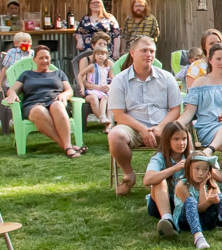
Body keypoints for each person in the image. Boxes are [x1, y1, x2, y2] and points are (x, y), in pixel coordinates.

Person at [108, 36, 182, 195]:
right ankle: (129, 175)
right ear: (132, 53)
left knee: (182, 136)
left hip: (163, 126)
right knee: (115, 136)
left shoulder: (167, 77)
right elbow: (119, 115)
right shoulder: (119, 80)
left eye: (152, 51)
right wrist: (142, 129)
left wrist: (161, 127)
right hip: (132, 127)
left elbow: (176, 109)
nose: (149, 54)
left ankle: (178, 178)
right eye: (144, 50)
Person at [4, 45, 82, 157]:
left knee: (58, 106)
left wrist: (64, 95)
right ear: (34, 59)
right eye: (41, 58)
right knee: (40, 111)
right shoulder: (27, 75)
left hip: (54, 101)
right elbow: (12, 89)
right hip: (33, 105)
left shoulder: (58, 73)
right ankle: (67, 146)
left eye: (47, 57)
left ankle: (67, 146)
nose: (45, 60)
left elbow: (69, 90)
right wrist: (11, 94)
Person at [176, 154, 222, 249]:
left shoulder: (211, 183)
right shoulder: (182, 185)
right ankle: (198, 237)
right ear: (188, 169)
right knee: (191, 201)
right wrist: (208, 201)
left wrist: (202, 187)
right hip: (186, 223)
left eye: (205, 169)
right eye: (197, 168)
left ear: (209, 172)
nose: (200, 173)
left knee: (220, 197)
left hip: (207, 222)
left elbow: (205, 209)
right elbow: (198, 210)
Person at [144, 121, 193, 238]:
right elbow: (147, 180)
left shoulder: (191, 156)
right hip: (160, 204)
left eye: (184, 139)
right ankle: (168, 221)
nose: (181, 143)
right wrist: (174, 169)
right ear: (167, 140)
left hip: (181, 203)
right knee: (159, 180)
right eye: (176, 139)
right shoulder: (159, 158)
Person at [77, 37, 114, 129]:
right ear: (93, 46)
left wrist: (109, 86)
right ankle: (104, 120)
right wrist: (82, 87)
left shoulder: (108, 64)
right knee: (94, 98)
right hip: (92, 91)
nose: (100, 55)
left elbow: (114, 79)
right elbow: (81, 77)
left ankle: (108, 125)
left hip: (104, 91)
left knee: (111, 98)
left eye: (104, 44)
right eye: (99, 44)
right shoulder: (90, 64)